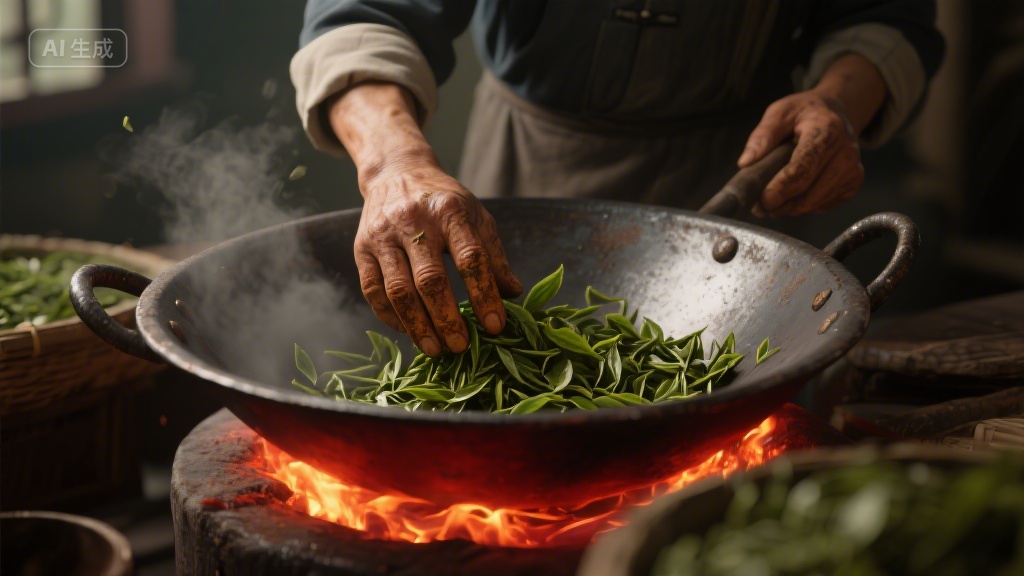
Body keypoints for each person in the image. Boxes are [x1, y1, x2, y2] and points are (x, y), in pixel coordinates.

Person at [290, 0, 944, 357]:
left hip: (751, 170)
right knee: (498, 354)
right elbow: (362, 13)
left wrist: (837, 103)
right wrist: (391, 163)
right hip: (530, 159)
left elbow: (884, 13)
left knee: (741, 402)